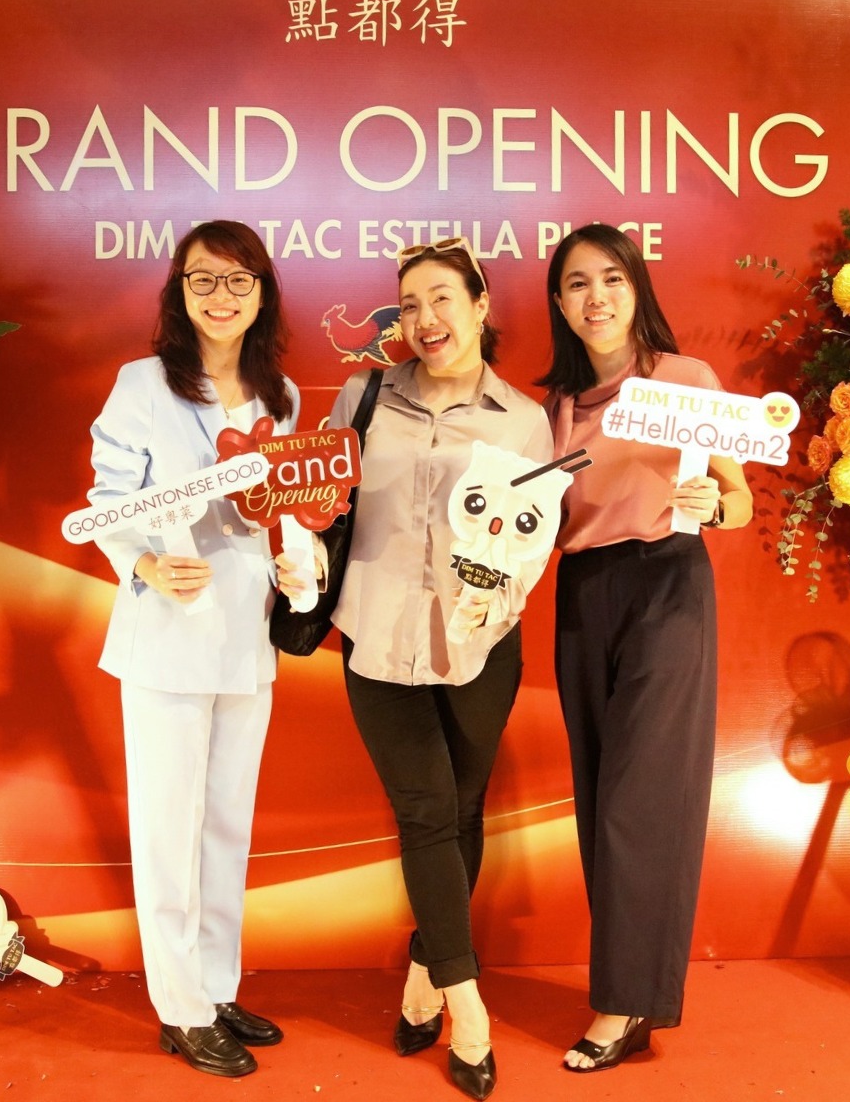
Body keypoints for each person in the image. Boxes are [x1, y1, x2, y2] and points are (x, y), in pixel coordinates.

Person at [328, 238, 553, 1100]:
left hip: (478, 645)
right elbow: (320, 508)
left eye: (443, 299)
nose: (425, 320)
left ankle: (423, 980)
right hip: (375, 636)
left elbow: (531, 539)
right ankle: (469, 1010)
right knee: (425, 812)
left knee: (461, 812)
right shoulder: (363, 398)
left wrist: (498, 601)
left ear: (480, 304)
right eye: (411, 304)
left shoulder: (522, 420)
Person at [86, 220, 305, 1079]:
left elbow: (295, 508)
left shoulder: (281, 396)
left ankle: (216, 987)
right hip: (168, 638)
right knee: (168, 828)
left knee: (225, 826)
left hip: (248, 638)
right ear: (179, 291)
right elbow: (105, 501)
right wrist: (143, 563)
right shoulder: (143, 384)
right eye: (203, 280)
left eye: (239, 280)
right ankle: (179, 1008)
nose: (222, 297)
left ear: (262, 293)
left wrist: (302, 562)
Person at [538, 224, 752, 1072]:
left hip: (668, 582)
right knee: (599, 794)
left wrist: (713, 502)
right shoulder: (554, 406)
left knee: (642, 798)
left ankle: (623, 1004)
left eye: (612, 279)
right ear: (559, 303)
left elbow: (738, 500)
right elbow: (539, 521)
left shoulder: (686, 381)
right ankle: (630, 990)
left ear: (637, 289)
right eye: (577, 283)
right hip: (583, 593)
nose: (596, 297)